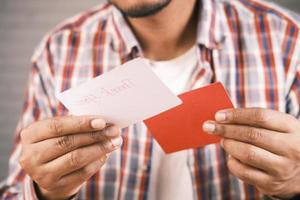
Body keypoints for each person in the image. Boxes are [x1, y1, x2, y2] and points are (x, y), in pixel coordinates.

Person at [0, 0, 300, 199]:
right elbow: (14, 191)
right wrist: (43, 191)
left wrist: (295, 184)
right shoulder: (58, 50)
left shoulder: (289, 38)